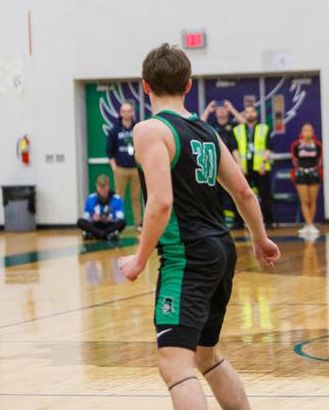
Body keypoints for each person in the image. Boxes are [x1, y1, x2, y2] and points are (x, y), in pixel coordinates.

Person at [118, 43, 280, 410]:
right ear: (189, 85)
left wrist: (140, 258)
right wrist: (260, 239)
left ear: (145, 86)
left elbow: (160, 202)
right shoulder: (206, 130)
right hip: (221, 251)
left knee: (175, 365)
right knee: (207, 356)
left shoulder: (150, 131)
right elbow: (244, 192)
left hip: (185, 257)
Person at [201, 100, 245, 227]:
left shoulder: (233, 126)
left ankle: (238, 222)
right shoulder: (211, 125)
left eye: (223, 108)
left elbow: (245, 124)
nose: (221, 110)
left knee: (234, 194)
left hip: (231, 166)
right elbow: (197, 126)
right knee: (215, 196)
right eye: (218, 108)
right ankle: (217, 222)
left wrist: (231, 108)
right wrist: (208, 110)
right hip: (214, 166)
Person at [232, 105, 274, 228]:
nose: (250, 114)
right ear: (244, 114)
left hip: (260, 168)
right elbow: (234, 149)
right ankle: (238, 222)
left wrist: (263, 162)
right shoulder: (237, 129)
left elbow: (268, 147)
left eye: (252, 112)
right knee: (240, 195)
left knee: (265, 196)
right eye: (247, 112)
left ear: (256, 114)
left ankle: (268, 222)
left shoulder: (264, 128)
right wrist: (239, 165)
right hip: (243, 168)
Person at [107, 100, 143, 229]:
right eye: (124, 111)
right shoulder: (114, 130)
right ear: (120, 113)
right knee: (119, 198)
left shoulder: (138, 128)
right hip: (120, 169)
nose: (126, 113)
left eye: (129, 111)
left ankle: (138, 224)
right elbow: (109, 151)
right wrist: (114, 167)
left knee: (136, 198)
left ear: (132, 112)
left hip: (136, 169)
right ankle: (117, 223)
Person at [290, 122, 322, 236]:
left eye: (309, 130)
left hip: (313, 173)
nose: (307, 132)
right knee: (305, 200)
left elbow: (319, 159)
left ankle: (311, 224)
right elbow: (294, 159)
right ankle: (308, 224)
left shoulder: (317, 145)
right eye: (305, 130)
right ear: (301, 132)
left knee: (312, 201)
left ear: (313, 132)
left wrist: (315, 169)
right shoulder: (296, 145)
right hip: (301, 173)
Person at [78, 174, 126, 241]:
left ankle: (96, 234)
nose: (102, 190)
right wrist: (93, 218)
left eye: (104, 187)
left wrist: (110, 219)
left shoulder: (116, 199)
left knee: (123, 222)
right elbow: (86, 218)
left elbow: (120, 217)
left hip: (109, 225)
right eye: (100, 187)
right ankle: (104, 234)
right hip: (96, 225)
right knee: (80, 222)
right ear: (96, 186)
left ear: (108, 186)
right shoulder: (90, 198)